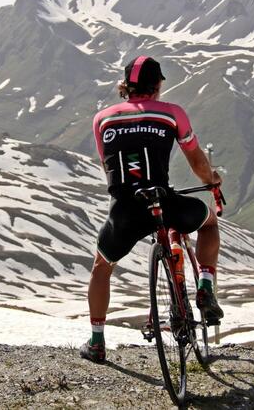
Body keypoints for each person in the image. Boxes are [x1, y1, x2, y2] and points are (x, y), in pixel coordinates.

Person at [80, 55, 224, 363]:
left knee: (102, 267)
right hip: (163, 202)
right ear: (157, 84)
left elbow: (108, 165)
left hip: (125, 210)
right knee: (209, 222)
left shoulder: (102, 119)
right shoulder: (172, 114)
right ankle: (205, 286)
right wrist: (212, 180)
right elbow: (198, 163)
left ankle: (97, 342)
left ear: (125, 86)